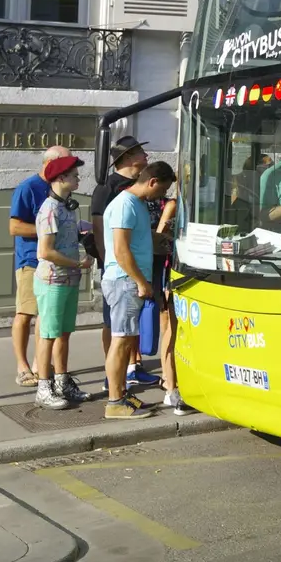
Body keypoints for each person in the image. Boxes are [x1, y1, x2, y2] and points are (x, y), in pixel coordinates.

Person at [101, 161, 175, 420]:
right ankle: (114, 402)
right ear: (152, 181)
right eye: (161, 190)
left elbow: (142, 238)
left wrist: (165, 239)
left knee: (128, 339)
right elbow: (121, 250)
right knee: (121, 341)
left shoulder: (139, 205)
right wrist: (142, 282)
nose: (161, 197)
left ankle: (122, 394)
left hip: (130, 281)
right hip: (124, 281)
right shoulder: (125, 205)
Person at [90, 135, 159, 387]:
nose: (146, 156)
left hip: (139, 264)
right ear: (128, 157)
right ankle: (114, 378)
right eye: (141, 152)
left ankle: (133, 365)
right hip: (119, 269)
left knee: (133, 324)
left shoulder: (138, 186)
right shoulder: (107, 188)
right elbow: (100, 231)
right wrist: (110, 261)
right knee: (115, 324)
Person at [31, 156, 92, 410]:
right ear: (60, 178)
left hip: (68, 279)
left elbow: (67, 236)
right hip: (53, 279)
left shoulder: (67, 207)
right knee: (48, 334)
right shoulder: (49, 209)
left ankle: (62, 381)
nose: (78, 178)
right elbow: (45, 251)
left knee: (64, 334)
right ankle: (43, 387)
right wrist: (77, 264)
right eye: (74, 175)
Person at [8, 144, 71, 386]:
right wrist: (48, 231)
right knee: (25, 313)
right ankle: (23, 367)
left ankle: (39, 365)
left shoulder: (62, 187)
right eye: (66, 163)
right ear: (50, 163)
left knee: (47, 318)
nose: (71, 169)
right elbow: (14, 227)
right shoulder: (28, 188)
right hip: (31, 261)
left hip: (55, 262)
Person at [152, 194, 192, 415]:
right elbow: (159, 238)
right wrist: (177, 239)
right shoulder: (175, 204)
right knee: (171, 329)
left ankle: (172, 382)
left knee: (175, 329)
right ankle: (171, 387)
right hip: (174, 271)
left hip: (191, 268)